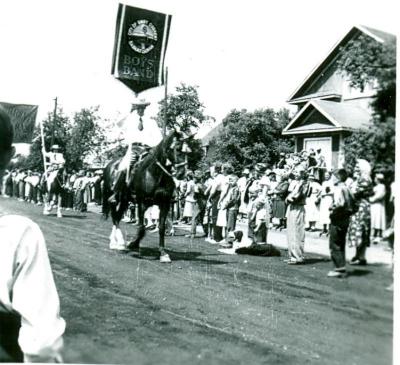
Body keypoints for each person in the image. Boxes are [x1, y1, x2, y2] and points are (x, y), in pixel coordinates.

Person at [0, 107, 65, 363]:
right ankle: (48, 202)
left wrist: (56, 161)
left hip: (57, 169)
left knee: (57, 176)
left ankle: (56, 203)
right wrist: (48, 159)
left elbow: (59, 162)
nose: (57, 149)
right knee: (49, 178)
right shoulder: (20, 233)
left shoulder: (60, 157)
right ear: (8, 156)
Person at [347, 159, 374, 265]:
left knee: (361, 230)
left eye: (358, 166)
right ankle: (358, 255)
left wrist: (348, 192)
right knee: (357, 230)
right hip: (357, 207)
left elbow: (356, 192)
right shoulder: (357, 179)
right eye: (355, 166)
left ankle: (361, 256)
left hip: (362, 207)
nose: (355, 167)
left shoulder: (365, 179)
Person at [327, 169, 353, 278]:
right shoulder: (347, 188)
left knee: (334, 243)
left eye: (333, 176)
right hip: (345, 218)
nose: (332, 179)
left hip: (338, 218)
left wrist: (332, 208)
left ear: (338, 178)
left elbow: (340, 204)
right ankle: (341, 267)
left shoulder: (339, 189)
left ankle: (339, 268)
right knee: (341, 243)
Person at [285, 166, 310, 264]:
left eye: (298, 172)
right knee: (291, 232)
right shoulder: (296, 183)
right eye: (295, 172)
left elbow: (296, 197)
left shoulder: (304, 183)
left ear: (303, 173)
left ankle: (298, 256)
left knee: (297, 232)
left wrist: (288, 199)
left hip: (298, 207)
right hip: (292, 207)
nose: (295, 174)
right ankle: (292, 256)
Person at [369, 173, 386, 244]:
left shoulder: (382, 186)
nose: (374, 179)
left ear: (378, 179)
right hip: (374, 205)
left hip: (378, 205)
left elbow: (380, 195)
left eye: (375, 178)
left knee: (378, 219)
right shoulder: (376, 186)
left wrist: (371, 199)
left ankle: (378, 235)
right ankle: (373, 234)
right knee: (374, 219)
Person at [318, 171, 334, 236]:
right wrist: (320, 195)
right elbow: (322, 190)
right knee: (323, 213)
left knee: (328, 214)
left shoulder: (332, 183)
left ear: (330, 175)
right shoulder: (324, 183)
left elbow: (333, 192)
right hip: (323, 200)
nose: (326, 176)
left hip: (329, 199)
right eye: (325, 175)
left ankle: (329, 230)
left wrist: (325, 194)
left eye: (327, 175)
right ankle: (324, 228)